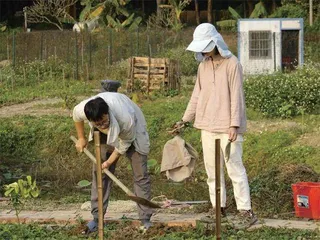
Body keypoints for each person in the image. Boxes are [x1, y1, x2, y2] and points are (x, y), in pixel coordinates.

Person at [175, 23, 257, 227]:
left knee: (235, 168)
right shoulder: (202, 66)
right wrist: (184, 120)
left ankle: (245, 211)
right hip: (207, 125)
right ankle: (218, 208)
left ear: (215, 42)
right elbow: (196, 95)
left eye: (206, 45)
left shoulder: (232, 64)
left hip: (229, 127)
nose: (203, 50)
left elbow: (237, 96)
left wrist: (234, 125)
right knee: (212, 170)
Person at [72, 91, 154, 233]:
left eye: (104, 121)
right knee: (100, 174)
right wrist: (81, 138)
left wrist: (108, 162)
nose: (103, 125)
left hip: (133, 132)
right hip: (106, 135)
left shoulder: (125, 118)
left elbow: (124, 144)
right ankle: (97, 219)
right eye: (98, 123)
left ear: (107, 113)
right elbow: (75, 114)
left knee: (140, 175)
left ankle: (145, 220)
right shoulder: (85, 109)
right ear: (91, 120)